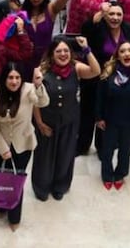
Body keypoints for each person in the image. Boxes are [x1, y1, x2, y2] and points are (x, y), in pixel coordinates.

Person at [32, 36, 101, 200]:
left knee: (65, 154)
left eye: (66, 51)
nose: (63, 54)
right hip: (47, 121)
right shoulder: (41, 70)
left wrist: (87, 49)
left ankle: (60, 186)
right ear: (51, 54)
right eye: (58, 51)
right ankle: (41, 187)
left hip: (69, 121)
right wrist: (39, 122)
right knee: (44, 155)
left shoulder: (76, 68)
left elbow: (96, 71)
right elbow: (35, 100)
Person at [0, 62, 48, 229]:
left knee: (16, 182)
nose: (14, 81)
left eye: (17, 77)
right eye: (10, 77)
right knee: (0, 178)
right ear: (4, 78)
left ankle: (14, 218)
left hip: (22, 145)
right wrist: (2, 149)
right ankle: (0, 206)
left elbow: (43, 102)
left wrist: (39, 85)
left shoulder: (29, 90)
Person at [95, 40, 130, 189]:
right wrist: (99, 117)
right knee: (107, 150)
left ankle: (120, 173)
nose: (126, 54)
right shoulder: (108, 72)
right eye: (122, 51)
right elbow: (99, 96)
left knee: (125, 150)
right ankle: (107, 175)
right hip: (110, 119)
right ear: (117, 56)